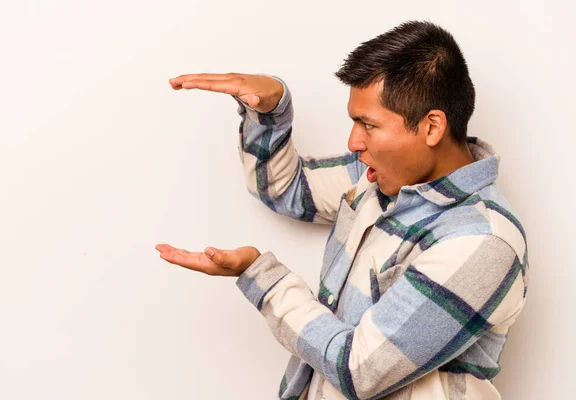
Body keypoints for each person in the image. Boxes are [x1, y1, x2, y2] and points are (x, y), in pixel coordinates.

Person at [155, 20, 529, 400]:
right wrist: (270, 111)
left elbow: (359, 370)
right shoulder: (378, 176)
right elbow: (285, 189)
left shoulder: (482, 241)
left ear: (432, 127)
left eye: (368, 124)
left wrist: (263, 278)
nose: (353, 142)